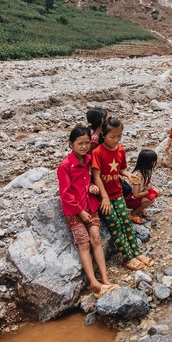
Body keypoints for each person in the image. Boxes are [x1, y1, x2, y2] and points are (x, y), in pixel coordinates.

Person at [56, 126, 118, 298]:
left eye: (86, 143)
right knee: (83, 243)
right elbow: (65, 193)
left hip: (91, 205)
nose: (84, 147)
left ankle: (105, 278)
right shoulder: (65, 166)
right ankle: (93, 281)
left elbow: (92, 178)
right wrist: (80, 211)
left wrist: (92, 186)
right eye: (80, 143)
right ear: (71, 144)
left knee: (96, 239)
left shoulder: (89, 160)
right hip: (74, 210)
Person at [91, 115, 154, 271]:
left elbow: (121, 169)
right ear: (103, 135)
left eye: (119, 136)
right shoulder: (98, 152)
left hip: (118, 192)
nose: (116, 140)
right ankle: (127, 257)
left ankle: (137, 253)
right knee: (116, 225)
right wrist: (104, 198)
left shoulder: (120, 150)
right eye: (112, 136)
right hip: (104, 197)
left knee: (126, 221)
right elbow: (96, 176)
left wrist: (128, 175)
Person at [125, 149, 159, 225]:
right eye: (153, 162)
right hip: (130, 199)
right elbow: (135, 195)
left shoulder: (146, 171)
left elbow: (147, 183)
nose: (154, 163)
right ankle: (133, 213)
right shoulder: (137, 176)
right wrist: (146, 191)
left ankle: (139, 208)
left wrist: (149, 186)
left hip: (139, 194)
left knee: (156, 191)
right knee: (151, 199)